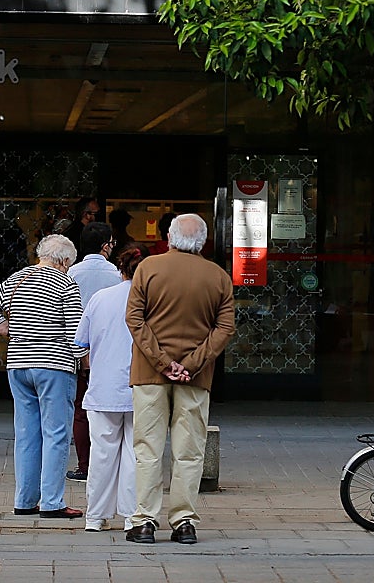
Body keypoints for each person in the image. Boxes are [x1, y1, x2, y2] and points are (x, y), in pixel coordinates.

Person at [124, 214, 235, 546]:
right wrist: (190, 363)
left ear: (169, 238)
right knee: (189, 451)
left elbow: (134, 317)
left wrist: (162, 361)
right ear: (202, 242)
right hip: (196, 377)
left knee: (148, 449)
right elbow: (225, 328)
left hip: (149, 374)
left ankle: (145, 521)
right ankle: (184, 521)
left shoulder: (148, 268)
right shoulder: (218, 276)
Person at [0, 234, 87, 519]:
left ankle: (24, 500)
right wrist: (84, 362)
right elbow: (75, 332)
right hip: (54, 366)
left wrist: (8, 330)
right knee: (56, 434)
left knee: (26, 434)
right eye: (68, 264)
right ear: (63, 261)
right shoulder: (66, 283)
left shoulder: (18, 279)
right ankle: (52, 502)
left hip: (19, 366)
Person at [74, 244, 144, 532]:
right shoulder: (151, 301)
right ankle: (131, 515)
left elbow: (80, 342)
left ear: (120, 270)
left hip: (102, 388)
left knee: (102, 454)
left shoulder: (100, 298)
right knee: (135, 454)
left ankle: (95, 516)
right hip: (141, 388)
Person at [66, 222, 122, 482]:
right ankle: (111, 466)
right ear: (105, 245)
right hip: (111, 348)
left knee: (80, 409)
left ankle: (85, 465)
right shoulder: (117, 274)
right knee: (112, 410)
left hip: (75, 348)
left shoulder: (70, 273)